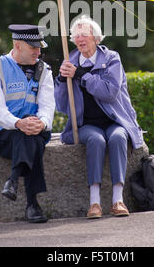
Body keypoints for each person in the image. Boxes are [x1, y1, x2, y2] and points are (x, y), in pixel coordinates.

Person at [54, 15, 145, 219]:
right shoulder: (70, 62)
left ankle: (117, 200)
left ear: (96, 38)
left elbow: (109, 91)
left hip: (116, 121)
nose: (79, 38)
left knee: (118, 138)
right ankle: (94, 203)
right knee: (96, 140)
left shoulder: (112, 58)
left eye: (84, 34)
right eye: (75, 35)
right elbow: (61, 106)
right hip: (86, 125)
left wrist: (81, 75)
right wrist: (61, 81)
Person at [0, 24, 55, 223]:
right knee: (29, 138)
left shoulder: (44, 70)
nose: (39, 51)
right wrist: (19, 123)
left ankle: (13, 180)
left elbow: (47, 106)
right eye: (33, 47)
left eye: (40, 47)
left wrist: (42, 123)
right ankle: (33, 205)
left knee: (30, 135)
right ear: (18, 45)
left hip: (33, 129)